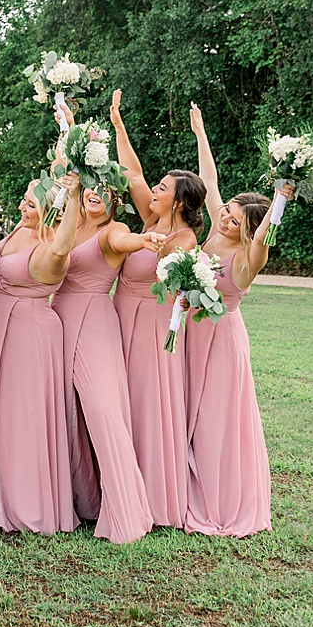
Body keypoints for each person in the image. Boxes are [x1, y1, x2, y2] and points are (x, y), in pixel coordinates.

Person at [186, 102, 289, 538]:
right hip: (190, 333)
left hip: (222, 340)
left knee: (215, 420)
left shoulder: (249, 257)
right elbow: (208, 182)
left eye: (233, 216)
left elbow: (266, 233)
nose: (224, 215)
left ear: (249, 227)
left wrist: (283, 195)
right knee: (188, 413)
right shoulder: (212, 232)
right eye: (225, 210)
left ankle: (219, 499)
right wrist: (201, 133)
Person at [106, 89, 206, 529]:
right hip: (117, 316)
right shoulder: (147, 221)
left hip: (149, 327)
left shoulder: (185, 241)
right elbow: (132, 171)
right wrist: (117, 124)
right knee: (116, 402)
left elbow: (178, 285)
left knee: (145, 403)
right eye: (157, 187)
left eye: (163, 189)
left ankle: (152, 494)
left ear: (179, 202)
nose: (155, 191)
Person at [54, 180, 162, 545]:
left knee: (102, 410)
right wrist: (68, 124)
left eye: (106, 189)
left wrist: (144, 242)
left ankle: (127, 510)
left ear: (116, 199)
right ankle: (85, 499)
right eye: (91, 187)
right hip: (59, 318)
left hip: (93, 320)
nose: (95, 193)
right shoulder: (70, 221)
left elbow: (119, 243)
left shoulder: (114, 230)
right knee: (67, 411)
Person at [0, 171, 82, 535]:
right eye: (24, 199)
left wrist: (73, 198)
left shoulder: (51, 248)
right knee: (0, 414)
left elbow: (62, 246)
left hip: (29, 334)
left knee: (23, 415)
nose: (23, 206)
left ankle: (26, 505)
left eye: (31, 203)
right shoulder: (21, 230)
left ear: (53, 209)